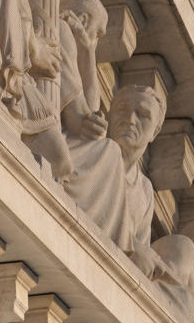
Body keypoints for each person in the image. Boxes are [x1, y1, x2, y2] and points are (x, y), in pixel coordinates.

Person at [61, 80, 166, 259]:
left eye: (142, 115)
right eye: (122, 110)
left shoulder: (144, 191)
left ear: (155, 132)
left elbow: (138, 256)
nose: (130, 120)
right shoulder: (94, 152)